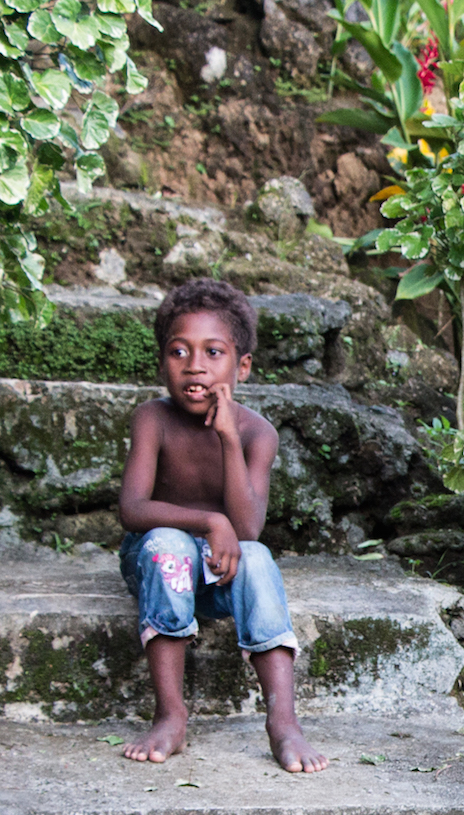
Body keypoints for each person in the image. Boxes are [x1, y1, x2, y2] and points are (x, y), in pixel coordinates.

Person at [116, 277, 326, 773]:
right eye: (179, 351)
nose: (195, 365)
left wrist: (229, 439)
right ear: (161, 361)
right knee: (169, 544)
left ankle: (283, 722)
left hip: (221, 570)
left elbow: (248, 528)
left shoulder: (257, 433)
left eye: (213, 352)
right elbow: (132, 509)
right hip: (157, 565)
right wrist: (211, 521)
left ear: (242, 365)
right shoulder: (152, 419)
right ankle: (170, 714)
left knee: (257, 557)